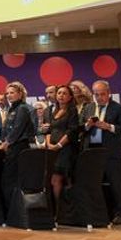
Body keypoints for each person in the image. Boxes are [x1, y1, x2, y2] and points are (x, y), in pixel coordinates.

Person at [80, 80, 121, 225]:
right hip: (91, 151)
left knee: (115, 184)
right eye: (96, 94)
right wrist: (87, 126)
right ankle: (94, 213)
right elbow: (79, 127)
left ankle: (120, 213)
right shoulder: (88, 107)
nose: (99, 97)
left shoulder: (118, 108)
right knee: (92, 183)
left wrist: (109, 127)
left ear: (108, 93)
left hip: (110, 152)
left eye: (102, 94)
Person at [0, 81, 35, 215]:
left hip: (19, 148)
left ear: (20, 93)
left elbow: (18, 128)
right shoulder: (12, 108)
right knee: (8, 180)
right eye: (7, 93)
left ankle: (15, 212)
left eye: (12, 92)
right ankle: (11, 211)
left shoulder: (23, 108)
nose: (9, 95)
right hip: (11, 148)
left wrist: (6, 143)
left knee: (11, 180)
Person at [44, 85, 80, 219]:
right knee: (53, 180)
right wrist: (49, 144)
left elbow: (71, 131)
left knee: (60, 179)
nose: (61, 95)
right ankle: (55, 210)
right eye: (59, 93)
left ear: (70, 97)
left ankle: (60, 211)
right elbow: (49, 130)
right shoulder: (53, 111)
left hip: (65, 150)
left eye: (64, 93)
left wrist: (58, 145)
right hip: (52, 150)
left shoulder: (72, 111)